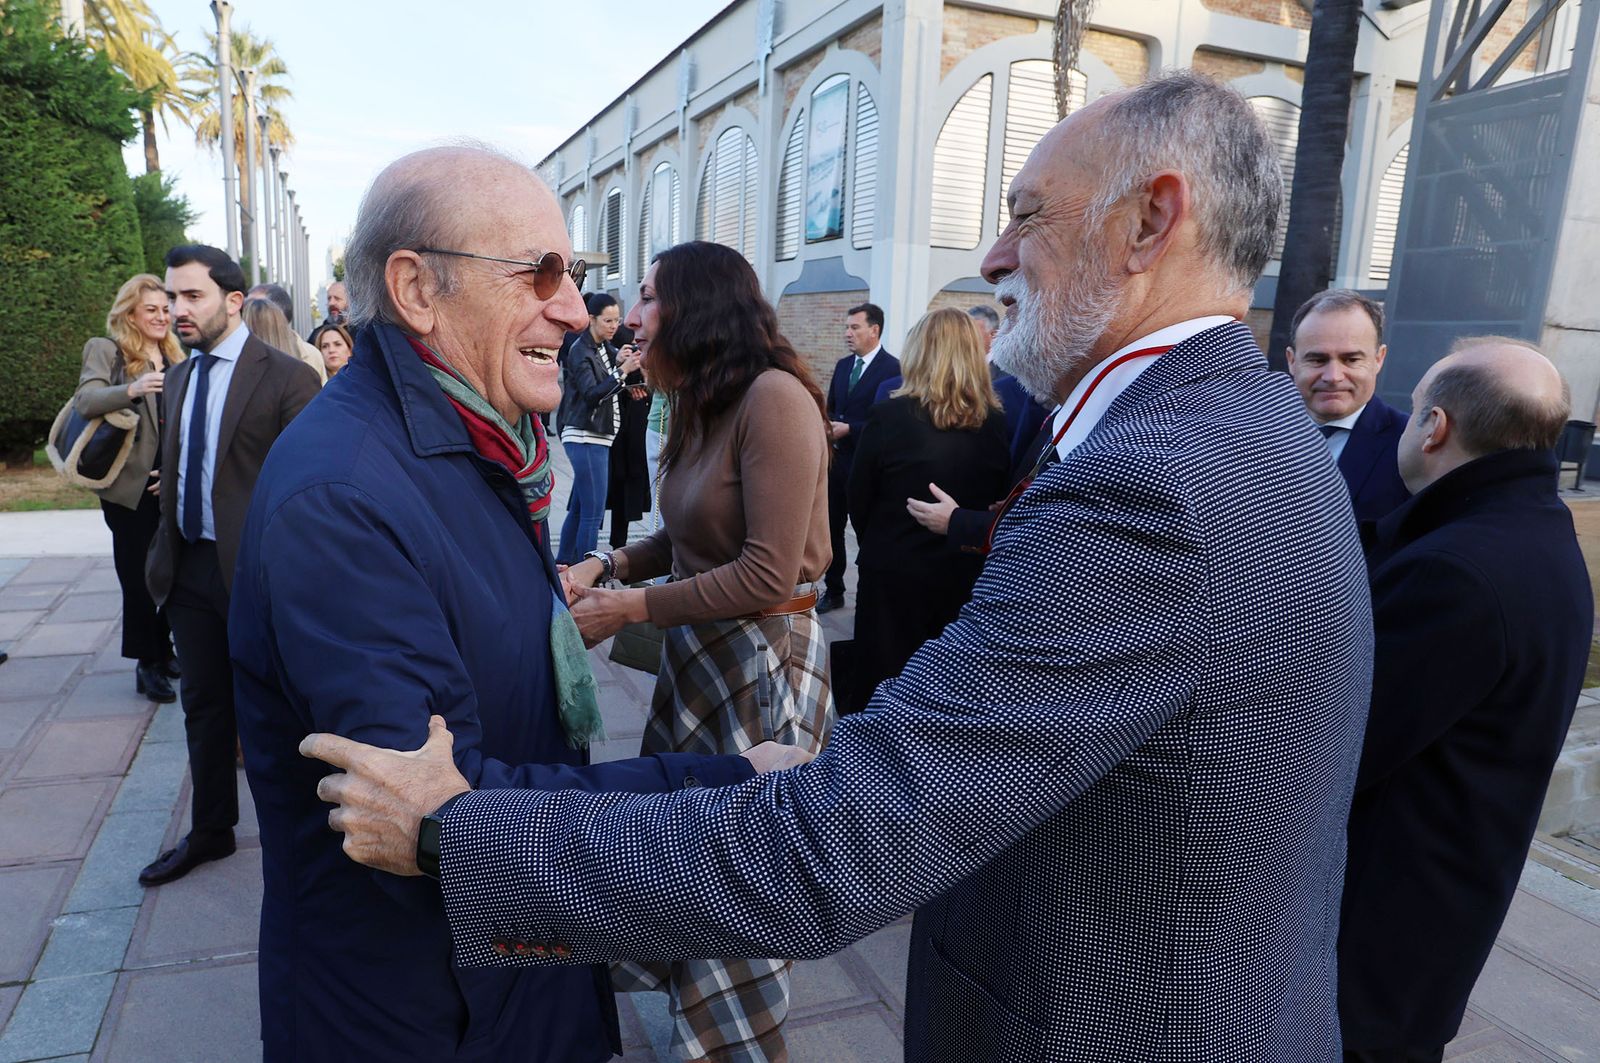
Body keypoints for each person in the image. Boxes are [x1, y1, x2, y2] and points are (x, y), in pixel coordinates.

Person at [304, 72, 1374, 1061]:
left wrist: (456, 835)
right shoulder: (1231, 427)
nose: (995, 254)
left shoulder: (1158, 484)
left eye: (1027, 213)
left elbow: (834, 852)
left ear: (1151, 221)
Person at [229, 148, 761, 1062]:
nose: (570, 306)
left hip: (510, 970)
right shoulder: (345, 498)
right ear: (416, 289)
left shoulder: (476, 439)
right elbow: (439, 813)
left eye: (574, 273)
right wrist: (738, 789)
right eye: (538, 271)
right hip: (427, 1008)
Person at [553, 240, 833, 1061]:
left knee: (742, 873)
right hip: (702, 659)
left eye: (648, 296)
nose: (632, 315)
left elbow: (765, 570)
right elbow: (684, 535)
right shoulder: (706, 399)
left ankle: (732, 1043)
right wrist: (606, 563)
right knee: (687, 849)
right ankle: (696, 1022)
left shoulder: (774, 398)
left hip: (762, 667)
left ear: (698, 305)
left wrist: (629, 606)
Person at [1338, 337, 1591, 1063]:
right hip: (1444, 908)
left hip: (1382, 929)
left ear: (1436, 427)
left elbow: (1344, 746)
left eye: (1415, 409)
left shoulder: (1457, 571)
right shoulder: (1536, 533)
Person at [138, 245, 320, 888]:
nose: (175, 309)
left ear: (234, 301)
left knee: (277, 711)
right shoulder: (181, 377)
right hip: (188, 565)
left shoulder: (288, 377)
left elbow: (305, 489)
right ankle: (212, 830)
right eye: (171, 296)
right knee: (205, 707)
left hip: (258, 574)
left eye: (192, 297)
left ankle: (299, 843)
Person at [841, 307, 1009, 714]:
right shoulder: (997, 423)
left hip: (892, 574)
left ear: (920, 352)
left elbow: (857, 497)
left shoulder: (888, 416)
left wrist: (882, 543)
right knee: (940, 689)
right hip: (961, 575)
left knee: (880, 682)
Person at [72, 274, 183, 702]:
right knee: (137, 577)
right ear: (130, 313)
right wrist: (133, 388)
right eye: (151, 309)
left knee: (174, 572)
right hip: (129, 486)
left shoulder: (175, 352)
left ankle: (165, 645)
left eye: (165, 308)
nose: (161, 316)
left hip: (169, 480)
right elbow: (87, 400)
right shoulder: (107, 349)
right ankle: (147, 663)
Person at [1286, 289, 1410, 522]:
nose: (1333, 376)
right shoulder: (1251, 436)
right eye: (1317, 360)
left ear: (1378, 359)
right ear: (1292, 361)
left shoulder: (1410, 447)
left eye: (1351, 360)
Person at [819, 302, 898, 613]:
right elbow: (831, 408)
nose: (847, 333)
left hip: (868, 466)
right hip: (837, 464)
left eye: (854, 327)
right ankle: (834, 589)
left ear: (874, 330)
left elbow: (890, 422)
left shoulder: (893, 370)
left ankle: (872, 593)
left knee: (867, 531)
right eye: (846, 327)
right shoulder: (842, 366)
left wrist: (851, 429)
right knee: (832, 529)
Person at [553, 293, 641, 564]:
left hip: (595, 437)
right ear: (591, 319)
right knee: (593, 513)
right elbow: (592, 393)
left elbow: (605, 379)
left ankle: (564, 563)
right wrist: (622, 371)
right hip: (586, 436)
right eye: (608, 320)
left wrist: (619, 362)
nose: (614, 326)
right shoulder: (581, 350)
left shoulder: (603, 347)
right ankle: (587, 574)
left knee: (580, 509)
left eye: (617, 320)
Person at [605, 305, 651, 549]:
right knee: (619, 488)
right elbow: (604, 388)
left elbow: (655, 389)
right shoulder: (614, 352)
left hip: (641, 434)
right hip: (619, 435)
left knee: (635, 486)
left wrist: (643, 368)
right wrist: (619, 362)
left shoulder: (651, 354)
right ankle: (616, 546)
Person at [251, 282, 328, 384]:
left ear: (278, 315)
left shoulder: (310, 356)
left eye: (257, 308)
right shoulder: (240, 354)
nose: (246, 314)